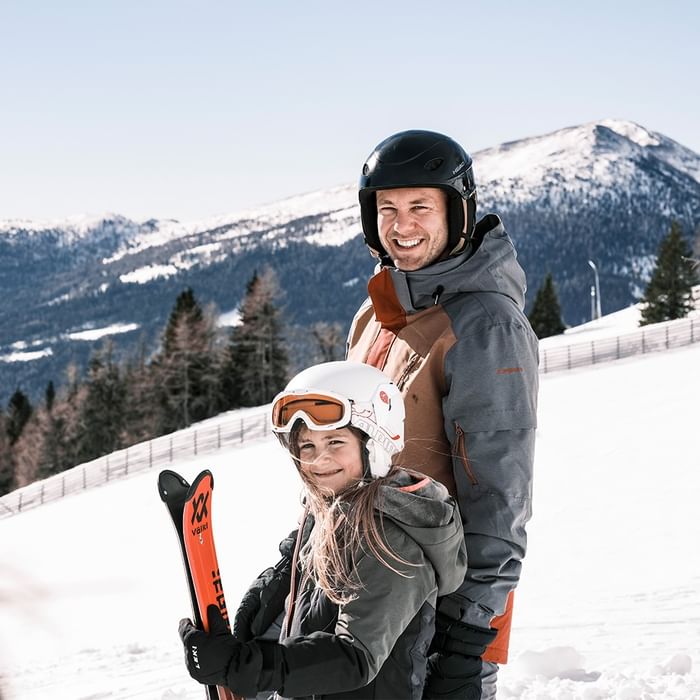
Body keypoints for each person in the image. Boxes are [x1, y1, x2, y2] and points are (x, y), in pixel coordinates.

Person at [346, 130, 539, 699]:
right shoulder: (375, 313)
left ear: (457, 213)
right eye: (387, 209)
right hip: (360, 590)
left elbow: (500, 489)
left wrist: (468, 632)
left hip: (438, 609)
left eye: (419, 208)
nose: (401, 225)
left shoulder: (486, 325)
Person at [179, 360, 470, 699]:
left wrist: (246, 666)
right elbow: (302, 592)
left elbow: (354, 656)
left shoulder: (391, 540)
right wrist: (257, 614)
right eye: (307, 447)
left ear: (374, 445)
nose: (319, 460)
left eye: (335, 443)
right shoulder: (328, 511)